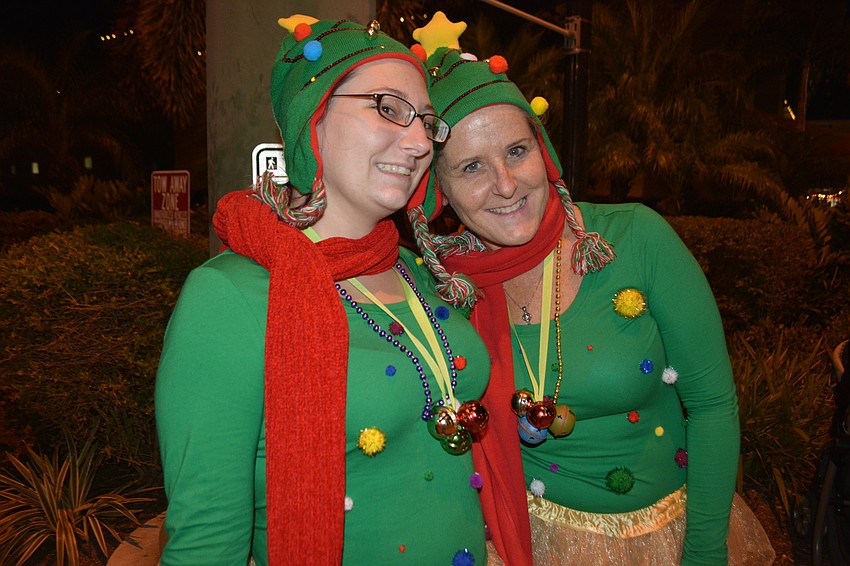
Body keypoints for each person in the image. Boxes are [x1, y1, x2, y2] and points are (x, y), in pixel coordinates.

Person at [406, 13, 776, 566]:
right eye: (471, 167)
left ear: (544, 152)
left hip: (665, 542)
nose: (505, 185)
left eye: (516, 152)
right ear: (440, 192)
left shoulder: (636, 238)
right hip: (522, 545)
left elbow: (712, 404)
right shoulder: (444, 286)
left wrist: (704, 553)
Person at [155, 15, 493, 565]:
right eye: (387, 108)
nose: (416, 142)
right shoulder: (228, 299)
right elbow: (206, 544)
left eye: (427, 123)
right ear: (311, 119)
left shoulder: (422, 272)